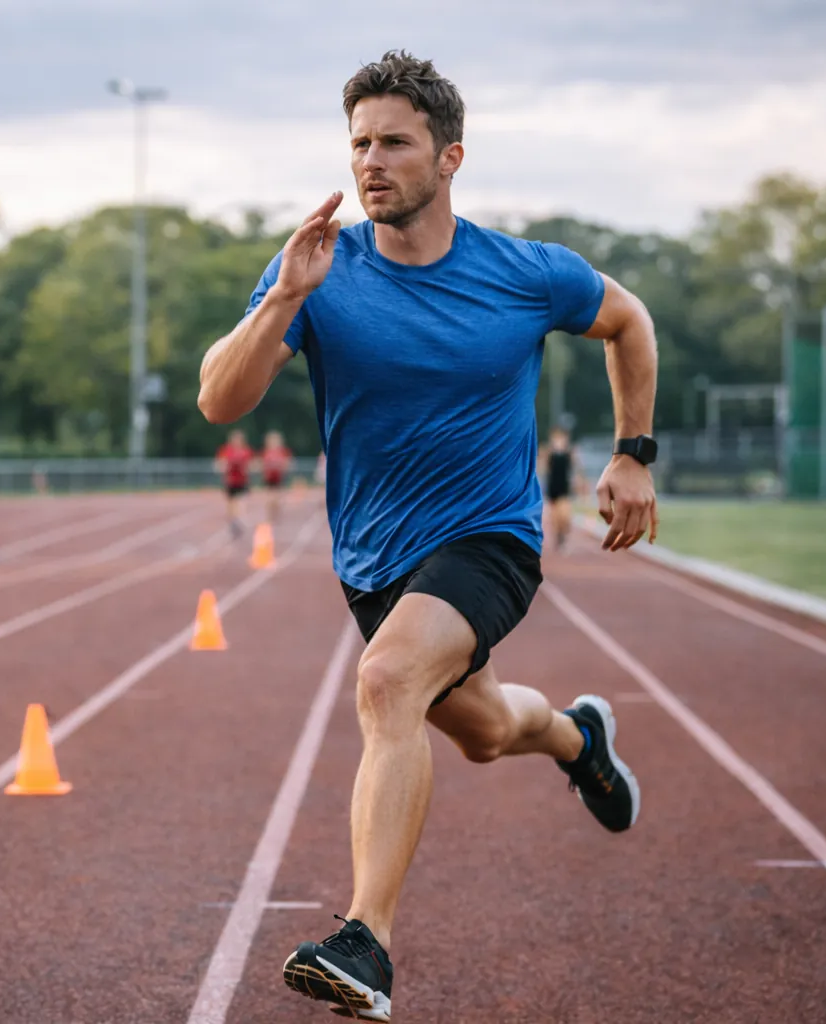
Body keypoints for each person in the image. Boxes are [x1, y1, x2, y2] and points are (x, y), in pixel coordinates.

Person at [197, 51, 659, 1021]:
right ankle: (579, 738)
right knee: (487, 732)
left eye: (394, 142)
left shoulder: (527, 275)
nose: (372, 161)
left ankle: (366, 941)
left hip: (490, 537)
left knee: (386, 680)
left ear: (449, 157)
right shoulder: (320, 273)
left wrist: (633, 452)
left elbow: (630, 321)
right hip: (374, 557)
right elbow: (217, 400)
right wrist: (283, 295)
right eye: (358, 142)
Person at [540, 425, 587, 553]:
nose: (559, 440)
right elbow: (542, 468)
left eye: (561, 437)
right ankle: (558, 537)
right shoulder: (548, 451)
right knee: (555, 518)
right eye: (556, 437)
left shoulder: (570, 452)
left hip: (564, 488)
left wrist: (580, 483)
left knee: (564, 516)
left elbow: (577, 469)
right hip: (552, 487)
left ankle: (563, 533)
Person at [213, 429, 254, 537]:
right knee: (231, 504)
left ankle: (239, 520)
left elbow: (251, 465)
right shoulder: (226, 450)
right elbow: (218, 464)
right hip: (230, 481)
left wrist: (246, 468)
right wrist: (225, 466)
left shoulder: (246, 451)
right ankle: (233, 522)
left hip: (242, 481)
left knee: (241, 502)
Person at [260, 429, 294, 523]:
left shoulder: (283, 452)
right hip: (269, 478)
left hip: (279, 478)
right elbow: (261, 463)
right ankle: (270, 515)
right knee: (271, 498)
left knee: (278, 498)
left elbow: (289, 463)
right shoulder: (266, 452)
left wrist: (283, 467)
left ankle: (276, 514)